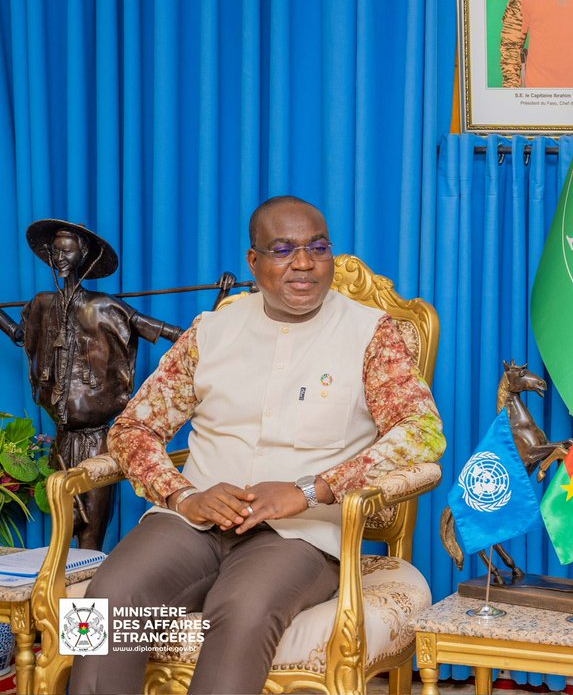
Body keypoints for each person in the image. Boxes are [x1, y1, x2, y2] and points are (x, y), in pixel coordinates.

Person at [70, 196, 445, 695]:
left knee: (241, 610)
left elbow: (421, 432)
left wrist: (313, 489)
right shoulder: (211, 330)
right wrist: (184, 496)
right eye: (284, 249)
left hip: (300, 534)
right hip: (192, 519)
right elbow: (133, 429)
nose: (305, 263)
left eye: (318, 247)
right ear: (254, 261)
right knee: (107, 599)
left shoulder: (371, 333)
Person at [0, 220, 186, 549]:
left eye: (67, 250)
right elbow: (19, 335)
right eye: (55, 250)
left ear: (83, 255)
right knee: (60, 537)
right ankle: (62, 601)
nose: (59, 257)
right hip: (61, 441)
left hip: (97, 441)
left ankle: (87, 603)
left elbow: (182, 339)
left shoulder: (106, 307)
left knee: (91, 537)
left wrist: (222, 299)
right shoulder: (42, 305)